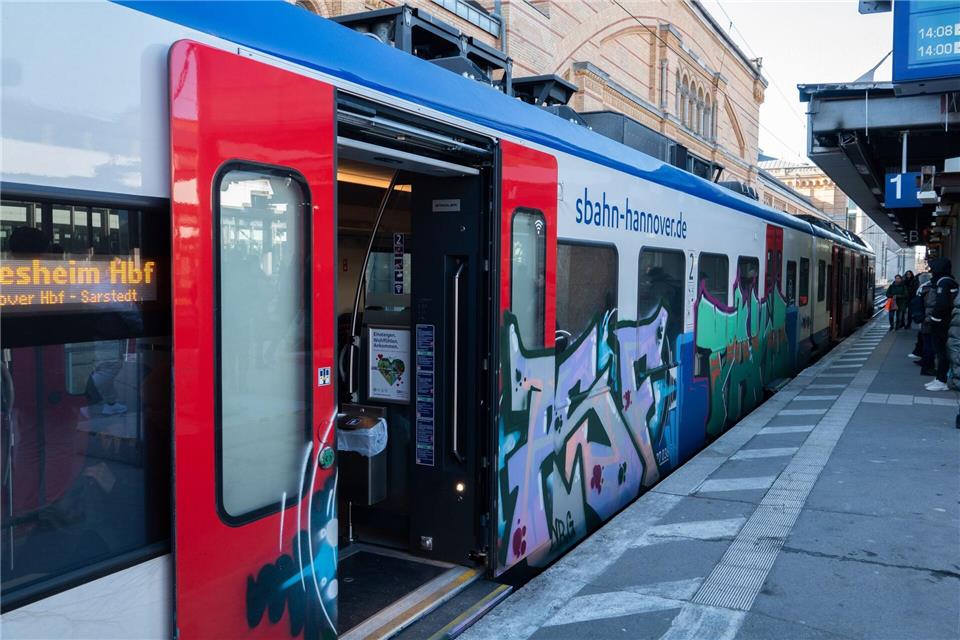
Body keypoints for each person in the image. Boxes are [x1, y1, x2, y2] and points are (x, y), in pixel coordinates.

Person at [922, 258, 958, 392]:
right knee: (940, 351)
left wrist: (934, 319)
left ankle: (942, 380)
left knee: (942, 352)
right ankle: (939, 378)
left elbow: (942, 304)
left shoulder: (944, 283)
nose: (931, 271)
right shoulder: (946, 281)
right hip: (944, 322)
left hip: (942, 324)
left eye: (933, 268)